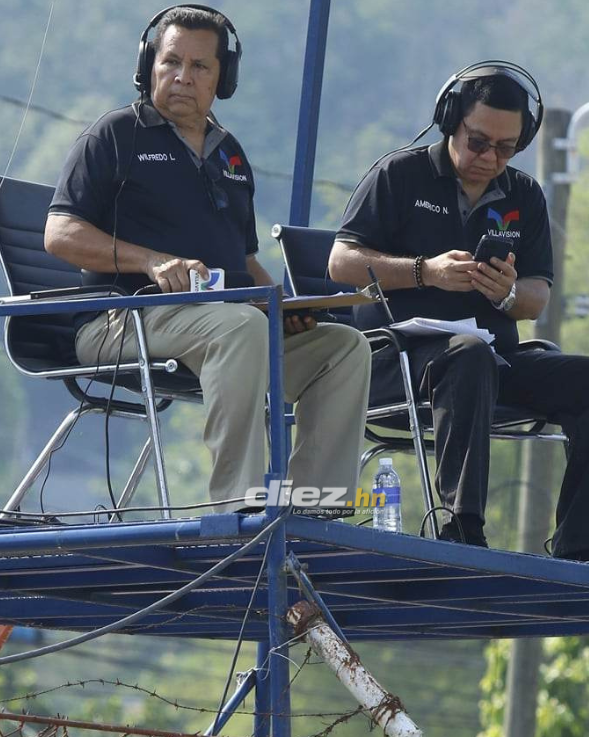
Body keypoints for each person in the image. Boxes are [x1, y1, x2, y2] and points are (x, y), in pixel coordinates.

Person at [45, 6, 370, 510]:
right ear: (148, 65)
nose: (182, 77)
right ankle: (241, 508)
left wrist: (280, 305)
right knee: (241, 328)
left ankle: (316, 508)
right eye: (171, 62)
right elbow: (60, 234)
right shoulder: (113, 135)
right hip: (122, 320)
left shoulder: (230, 154)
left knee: (345, 348)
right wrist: (150, 261)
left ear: (224, 78)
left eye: (199, 66)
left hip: (227, 325)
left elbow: (244, 259)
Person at [328, 62, 589, 559]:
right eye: (479, 142)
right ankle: (463, 532)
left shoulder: (525, 195)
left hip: (492, 361)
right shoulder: (398, 175)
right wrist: (425, 271)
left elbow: (537, 296)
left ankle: (584, 548)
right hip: (399, 362)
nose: (489, 158)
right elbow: (341, 262)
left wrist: (507, 294)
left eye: (506, 148)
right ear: (451, 121)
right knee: (467, 355)